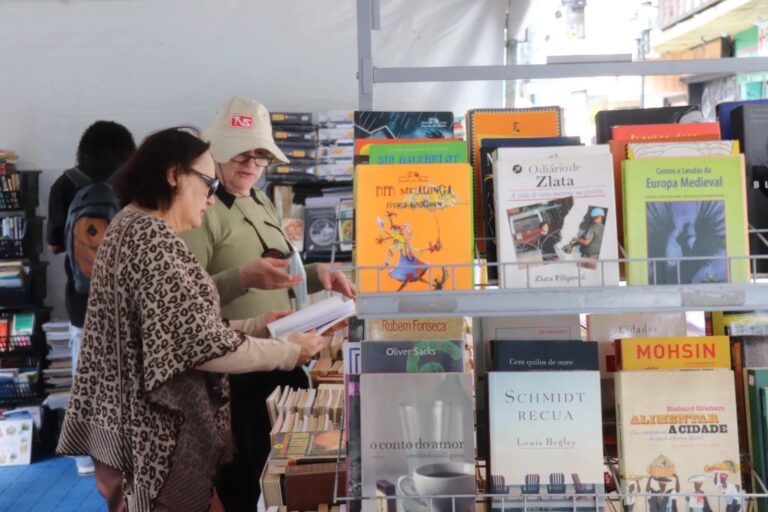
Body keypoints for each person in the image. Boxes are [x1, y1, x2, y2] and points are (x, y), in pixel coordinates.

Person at [56, 127, 325, 512]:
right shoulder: (153, 241)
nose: (211, 199)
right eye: (208, 184)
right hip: (151, 441)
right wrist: (286, 351)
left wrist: (261, 326)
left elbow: (176, 330)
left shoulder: (133, 225)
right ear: (174, 176)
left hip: (132, 433)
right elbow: (201, 346)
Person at [181, 96, 355, 512]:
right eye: (241, 153)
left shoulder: (259, 199)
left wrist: (314, 273)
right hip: (235, 371)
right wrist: (240, 279)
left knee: (282, 480)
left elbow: (277, 267)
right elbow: (185, 303)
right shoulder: (201, 211)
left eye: (260, 156)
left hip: (282, 356)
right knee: (248, 482)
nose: (251, 164)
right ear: (217, 152)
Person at [46, 120, 136, 476]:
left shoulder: (65, 183)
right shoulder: (136, 181)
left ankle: (87, 458)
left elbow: (55, 245)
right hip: (131, 302)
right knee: (132, 379)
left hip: (83, 304)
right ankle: (130, 451)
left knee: (86, 380)